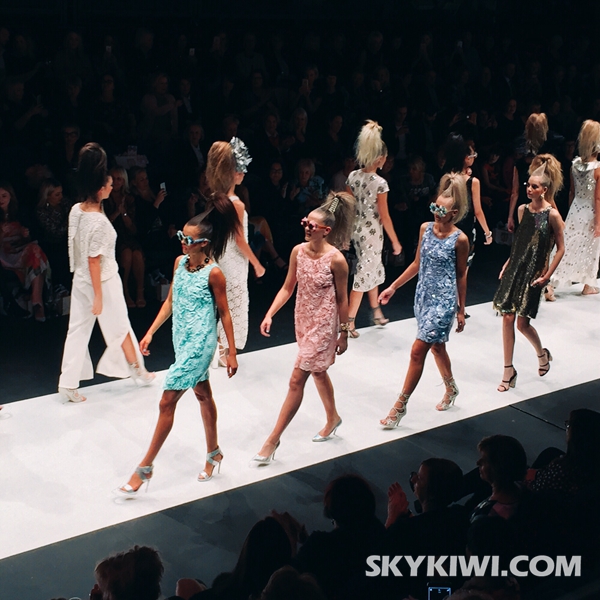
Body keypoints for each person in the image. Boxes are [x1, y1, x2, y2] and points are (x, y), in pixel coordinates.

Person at [116, 194, 238, 495]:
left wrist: (231, 352)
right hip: (181, 338)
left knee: (166, 401)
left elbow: (225, 313)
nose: (182, 242)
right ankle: (214, 453)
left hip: (201, 343)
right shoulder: (179, 263)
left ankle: (144, 468)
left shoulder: (214, 273)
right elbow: (170, 301)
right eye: (182, 237)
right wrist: (150, 333)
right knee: (203, 394)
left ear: (204, 244)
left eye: (188, 239)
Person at [251, 192, 354, 464]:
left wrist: (343, 333)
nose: (307, 227)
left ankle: (272, 441)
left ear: (326, 230)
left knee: (297, 380)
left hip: (324, 324)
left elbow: (342, 299)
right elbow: (288, 287)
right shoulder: (298, 251)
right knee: (318, 371)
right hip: (304, 320)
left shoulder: (337, 260)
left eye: (312, 225)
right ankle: (333, 417)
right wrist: (270, 314)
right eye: (305, 223)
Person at [58, 143, 153, 403]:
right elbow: (94, 260)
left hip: (81, 279)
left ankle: (67, 383)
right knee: (120, 326)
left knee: (77, 330)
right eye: (110, 185)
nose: (113, 187)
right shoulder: (98, 221)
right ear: (100, 189)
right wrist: (99, 295)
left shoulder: (76, 210)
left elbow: (76, 247)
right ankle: (138, 371)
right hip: (103, 280)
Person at [378, 173, 469, 425]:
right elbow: (417, 263)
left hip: (444, 301)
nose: (436, 213)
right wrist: (393, 287)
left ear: (454, 213)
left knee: (418, 351)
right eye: (434, 207)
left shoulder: (460, 239)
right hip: (423, 297)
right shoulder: (425, 229)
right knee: (437, 347)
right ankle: (451, 388)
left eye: (442, 210)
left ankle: (400, 407)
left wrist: (461, 309)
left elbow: (461, 275)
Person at [493, 157, 565, 392]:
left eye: (534, 186)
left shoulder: (552, 215)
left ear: (544, 189)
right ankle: (508, 370)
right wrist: (507, 263)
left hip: (535, 272)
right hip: (516, 268)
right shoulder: (522, 210)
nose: (529, 189)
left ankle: (541, 354)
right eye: (528, 185)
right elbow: (520, 242)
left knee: (523, 324)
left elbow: (561, 248)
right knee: (507, 317)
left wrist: (547, 276)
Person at [205, 138, 265, 364]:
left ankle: (220, 350)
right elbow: (240, 240)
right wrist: (257, 264)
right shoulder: (236, 204)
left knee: (223, 304)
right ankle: (223, 352)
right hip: (234, 260)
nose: (243, 172)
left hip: (220, 257)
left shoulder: (216, 200)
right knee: (233, 305)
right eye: (238, 168)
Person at [346, 120, 402, 337]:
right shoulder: (380, 183)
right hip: (371, 234)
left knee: (372, 270)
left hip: (357, 231)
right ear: (380, 158)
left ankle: (376, 311)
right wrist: (395, 241)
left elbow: (348, 207)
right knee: (363, 275)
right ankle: (349, 322)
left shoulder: (353, 176)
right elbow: (385, 216)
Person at [547, 120, 600, 297]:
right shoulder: (598, 168)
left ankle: (551, 282)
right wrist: (598, 223)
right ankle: (588, 285)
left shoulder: (575, 164)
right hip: (591, 211)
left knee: (566, 245)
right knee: (591, 247)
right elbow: (598, 198)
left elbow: (571, 191)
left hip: (576, 208)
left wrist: (571, 212)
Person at [0, 182, 51, 322]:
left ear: (10, 196)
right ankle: (37, 302)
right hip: (4, 252)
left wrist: (25, 235)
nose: (1, 200)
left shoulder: (19, 212)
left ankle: (37, 299)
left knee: (35, 250)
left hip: (20, 248)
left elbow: (27, 238)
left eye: (4, 196)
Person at [444, 134, 493, 273]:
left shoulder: (448, 177)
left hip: (448, 225)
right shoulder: (473, 182)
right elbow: (478, 211)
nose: (474, 157)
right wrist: (487, 233)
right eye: (473, 155)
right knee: (462, 271)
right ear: (466, 158)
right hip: (465, 228)